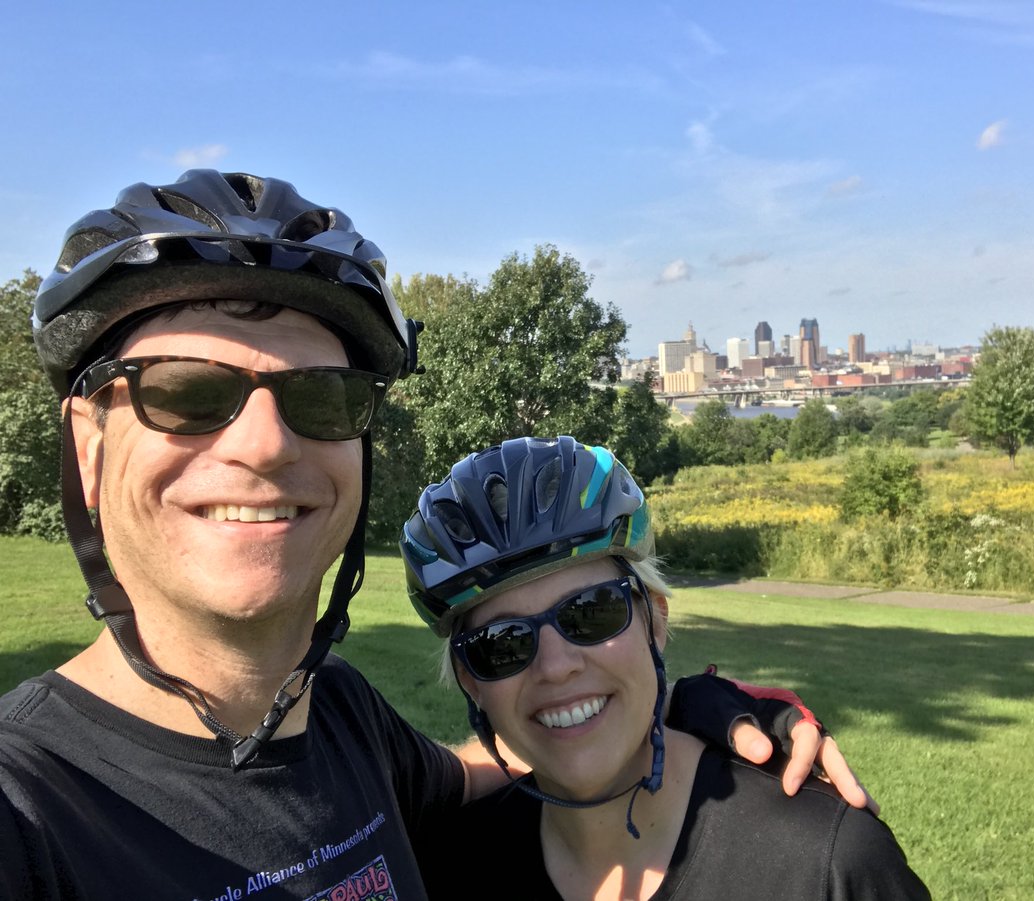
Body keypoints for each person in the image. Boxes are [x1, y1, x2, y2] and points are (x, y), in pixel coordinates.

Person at [0, 170, 866, 899]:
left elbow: (518, 755)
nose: (263, 442)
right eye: (185, 392)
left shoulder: (342, 720)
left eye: (322, 397)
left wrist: (667, 715)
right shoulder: (31, 809)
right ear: (88, 444)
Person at [403, 437, 930, 900]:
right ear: (471, 681)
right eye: (502, 643)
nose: (556, 666)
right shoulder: (444, 869)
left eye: (591, 612)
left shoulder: (828, 864)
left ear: (654, 620)